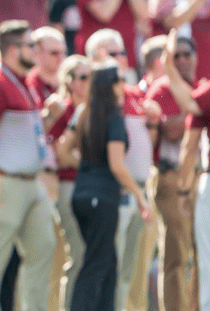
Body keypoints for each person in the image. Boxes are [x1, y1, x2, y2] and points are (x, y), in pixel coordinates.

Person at [0, 20, 56, 311]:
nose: (35, 50)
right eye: (30, 45)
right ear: (12, 49)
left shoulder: (22, 81)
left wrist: (49, 117)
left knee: (43, 250)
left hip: (30, 181)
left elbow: (25, 133)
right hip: (3, 180)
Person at [59, 62, 152, 311]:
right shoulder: (113, 117)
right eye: (119, 80)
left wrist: (88, 167)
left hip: (82, 194)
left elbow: (62, 150)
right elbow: (117, 165)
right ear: (109, 86)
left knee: (108, 264)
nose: (123, 85)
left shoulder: (83, 112)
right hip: (102, 198)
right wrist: (140, 195)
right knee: (96, 265)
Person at [146, 34, 200, 311]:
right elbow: (170, 130)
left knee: (201, 250)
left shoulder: (198, 87)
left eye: (186, 54)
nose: (181, 60)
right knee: (176, 254)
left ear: (196, 57)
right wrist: (199, 111)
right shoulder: (162, 88)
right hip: (170, 176)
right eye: (174, 55)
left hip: (198, 176)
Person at [49, 54, 91, 310]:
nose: (90, 82)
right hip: (69, 187)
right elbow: (60, 154)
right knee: (76, 256)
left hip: (89, 186)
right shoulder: (63, 109)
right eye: (85, 77)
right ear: (70, 81)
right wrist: (92, 162)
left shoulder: (94, 110)